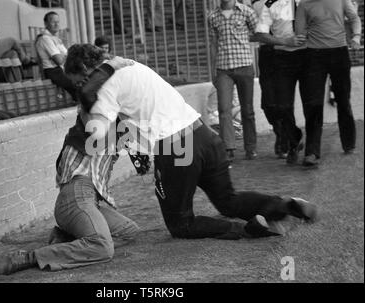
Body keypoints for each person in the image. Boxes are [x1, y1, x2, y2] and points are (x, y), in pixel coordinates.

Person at [65, 44, 318, 242]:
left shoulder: (106, 85)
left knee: (181, 224)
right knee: (228, 200)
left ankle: (248, 229)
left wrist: (88, 106)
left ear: (87, 71)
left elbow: (96, 133)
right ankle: (286, 205)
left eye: (79, 81)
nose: (80, 87)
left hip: (177, 148)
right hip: (205, 135)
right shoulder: (131, 66)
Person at [0, 57, 140, 276]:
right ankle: (25, 257)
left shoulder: (122, 124)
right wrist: (110, 66)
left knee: (130, 232)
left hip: (89, 199)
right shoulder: (94, 110)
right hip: (77, 193)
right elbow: (89, 92)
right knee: (102, 246)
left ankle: (64, 237)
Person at [295, 0, 362, 167]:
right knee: (314, 104)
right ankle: (311, 152)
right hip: (314, 56)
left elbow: (354, 18)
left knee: (343, 100)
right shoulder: (304, 5)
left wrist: (356, 36)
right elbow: (300, 32)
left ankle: (349, 144)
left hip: (339, 53)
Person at [254, 0, 307, 164]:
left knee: (285, 103)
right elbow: (250, 33)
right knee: (269, 104)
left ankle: (288, 142)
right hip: (268, 52)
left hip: (297, 52)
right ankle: (284, 133)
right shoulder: (258, 4)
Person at [208, 0, 259, 162]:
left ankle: (250, 147)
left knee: (248, 110)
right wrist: (213, 70)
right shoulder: (213, 16)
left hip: (244, 65)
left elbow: (258, 33)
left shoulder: (246, 12)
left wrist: (244, 40)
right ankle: (228, 147)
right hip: (223, 69)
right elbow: (214, 44)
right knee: (224, 109)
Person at [35, 11, 76, 100]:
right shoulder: (45, 39)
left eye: (58, 22)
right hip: (53, 71)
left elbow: (67, 55)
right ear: (46, 23)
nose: (56, 24)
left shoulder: (55, 38)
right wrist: (67, 55)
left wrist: (66, 55)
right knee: (77, 85)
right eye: (53, 22)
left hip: (62, 69)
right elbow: (59, 60)